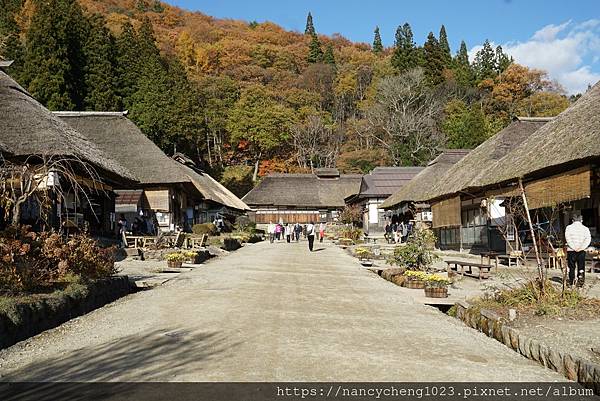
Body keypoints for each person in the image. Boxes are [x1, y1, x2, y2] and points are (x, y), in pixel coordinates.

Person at [565, 214, 591, 287]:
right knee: (581, 267)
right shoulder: (585, 229)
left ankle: (571, 281)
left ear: (572, 220)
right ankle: (580, 283)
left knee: (571, 267)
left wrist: (573, 247)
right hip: (581, 250)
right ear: (581, 221)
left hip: (571, 250)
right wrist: (581, 247)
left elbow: (568, 238)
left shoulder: (568, 228)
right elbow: (588, 239)